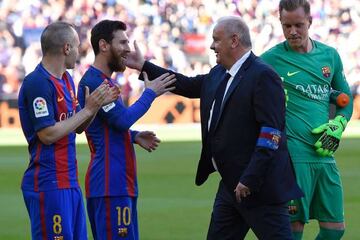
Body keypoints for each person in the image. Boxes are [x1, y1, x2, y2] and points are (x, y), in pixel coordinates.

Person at [126, 16, 303, 239]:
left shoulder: (263, 75)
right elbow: (185, 84)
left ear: (234, 41)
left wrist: (250, 178)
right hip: (231, 187)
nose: (211, 46)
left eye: (216, 40)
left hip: (260, 189)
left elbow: (271, 134)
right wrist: (143, 66)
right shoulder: (219, 73)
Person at [18, 21, 120, 239]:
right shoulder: (37, 82)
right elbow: (47, 135)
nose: (79, 51)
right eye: (77, 46)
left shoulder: (67, 80)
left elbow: (78, 127)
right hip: (48, 183)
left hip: (69, 181)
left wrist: (95, 106)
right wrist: (88, 109)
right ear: (66, 48)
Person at [261, 0, 354, 239]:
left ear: (310, 22)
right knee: (293, 230)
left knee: (335, 230)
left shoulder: (330, 56)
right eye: (287, 25)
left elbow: (345, 98)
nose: (292, 31)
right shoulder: (269, 60)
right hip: (292, 158)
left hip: (325, 154)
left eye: (299, 25)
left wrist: (338, 125)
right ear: (280, 23)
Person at [77, 20, 176, 240]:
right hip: (111, 184)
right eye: (122, 42)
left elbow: (105, 125)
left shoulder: (100, 81)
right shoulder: (94, 82)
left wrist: (132, 137)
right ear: (104, 45)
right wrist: (150, 93)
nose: (128, 48)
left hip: (115, 183)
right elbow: (121, 121)